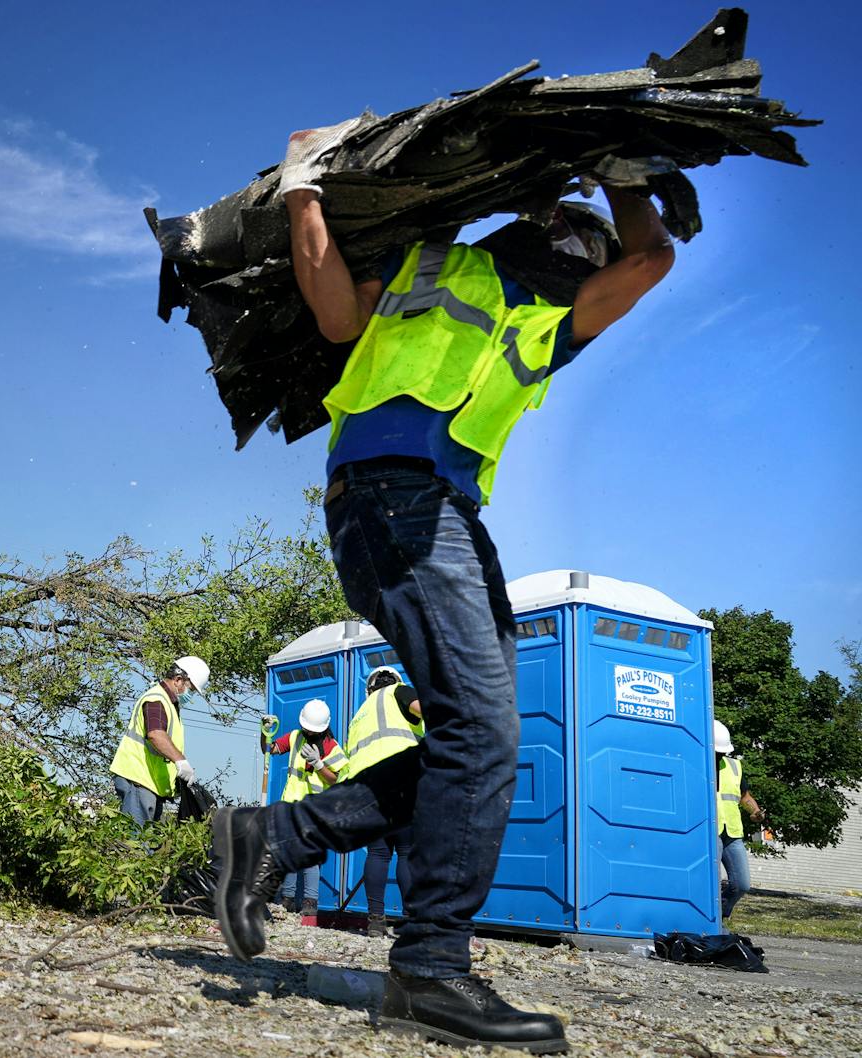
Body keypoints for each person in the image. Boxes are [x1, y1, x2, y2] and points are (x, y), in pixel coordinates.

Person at [209, 120, 675, 1054]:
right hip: (390, 499)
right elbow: (335, 310)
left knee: (481, 736)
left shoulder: (547, 326)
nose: (587, 255)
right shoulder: (431, 267)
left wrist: (624, 176)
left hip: (446, 517)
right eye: (573, 238)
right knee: (486, 728)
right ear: (528, 237)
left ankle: (279, 836)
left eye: (591, 246)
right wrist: (305, 186)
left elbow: (652, 258)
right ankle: (429, 969)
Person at [343, 667, 425, 939]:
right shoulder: (398, 692)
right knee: (406, 851)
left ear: (369, 689)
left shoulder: (357, 717)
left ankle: (375, 921)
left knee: (378, 854)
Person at [266, 698, 348, 915]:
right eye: (306, 728)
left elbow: (337, 779)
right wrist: (265, 734)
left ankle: (310, 902)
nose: (308, 732)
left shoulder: (331, 747)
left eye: (312, 730)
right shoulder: (295, 737)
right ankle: (288, 899)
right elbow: (271, 749)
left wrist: (319, 764)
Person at [109, 656, 210, 829]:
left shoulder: (167, 703)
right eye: (191, 689)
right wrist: (180, 760)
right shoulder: (157, 699)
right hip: (138, 779)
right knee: (135, 845)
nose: (190, 694)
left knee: (145, 843)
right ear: (178, 680)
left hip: (148, 782)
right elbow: (155, 734)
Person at [715, 719, 765, 922]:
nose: (720, 755)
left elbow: (745, 796)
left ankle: (719, 915)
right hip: (710, 830)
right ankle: (711, 923)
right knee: (711, 882)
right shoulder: (697, 763)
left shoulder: (735, 766)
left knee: (742, 884)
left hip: (732, 831)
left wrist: (756, 811)